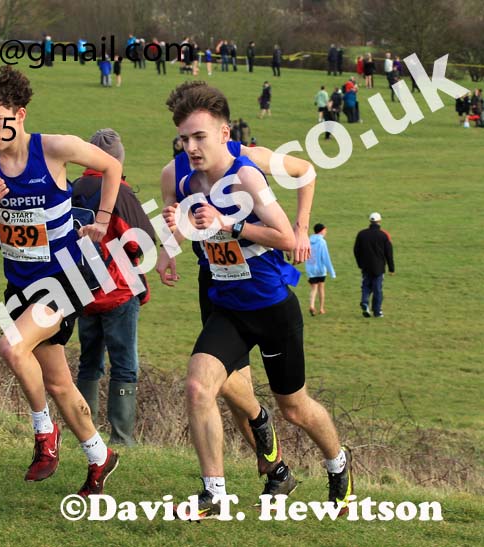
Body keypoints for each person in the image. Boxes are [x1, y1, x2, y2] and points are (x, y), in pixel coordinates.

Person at [162, 83, 353, 518]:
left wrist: (232, 225)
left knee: (295, 407)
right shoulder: (176, 174)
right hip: (224, 300)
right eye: (184, 139)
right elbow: (178, 224)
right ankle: (214, 493)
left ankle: (338, 466)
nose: (190, 147)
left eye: (200, 137)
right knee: (200, 386)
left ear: (224, 133)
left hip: (270, 306)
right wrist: (171, 240)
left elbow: (285, 235)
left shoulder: (248, 172)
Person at [0, 65, 122, 496]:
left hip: (65, 278)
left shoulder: (54, 149)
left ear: (21, 113)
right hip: (21, 285)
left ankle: (44, 435)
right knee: (57, 382)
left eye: (0, 119)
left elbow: (111, 166)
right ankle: (98, 456)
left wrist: (102, 221)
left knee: (12, 347)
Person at [73, 129, 156, 446]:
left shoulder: (74, 188)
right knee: (124, 366)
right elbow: (141, 243)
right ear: (118, 159)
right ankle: (121, 437)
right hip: (118, 291)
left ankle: (83, 432)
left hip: (82, 291)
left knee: (89, 363)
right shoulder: (120, 192)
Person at [353, 212, 394, 318]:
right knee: (377, 289)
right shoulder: (384, 235)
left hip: (365, 266)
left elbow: (356, 250)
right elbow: (389, 252)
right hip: (379, 267)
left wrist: (360, 263)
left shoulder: (361, 234)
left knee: (366, 286)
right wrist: (391, 268)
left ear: (370, 221)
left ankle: (365, 302)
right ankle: (377, 311)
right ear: (379, 222)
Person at [305, 223, 336, 315]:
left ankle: (312, 305)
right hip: (320, 269)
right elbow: (325, 257)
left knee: (313, 288)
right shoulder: (322, 242)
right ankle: (321, 308)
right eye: (325, 230)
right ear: (321, 230)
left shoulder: (308, 240)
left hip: (310, 268)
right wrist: (332, 271)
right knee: (321, 288)